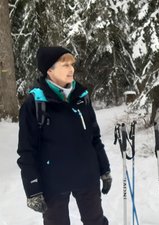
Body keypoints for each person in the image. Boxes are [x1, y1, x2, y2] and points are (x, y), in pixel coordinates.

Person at [17, 46, 112, 225]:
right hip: (53, 181)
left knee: (96, 222)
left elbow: (94, 138)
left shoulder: (81, 96)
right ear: (49, 70)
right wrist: (33, 189)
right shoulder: (36, 103)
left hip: (87, 176)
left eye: (72, 64)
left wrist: (104, 169)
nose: (71, 69)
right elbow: (27, 150)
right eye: (65, 65)